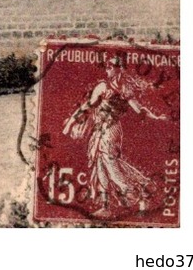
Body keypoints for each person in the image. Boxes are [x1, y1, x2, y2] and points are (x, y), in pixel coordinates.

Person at [62, 55, 166, 217]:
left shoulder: (126, 88)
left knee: (110, 163)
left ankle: (134, 192)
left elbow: (139, 110)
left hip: (111, 130)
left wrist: (156, 117)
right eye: (107, 66)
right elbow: (87, 106)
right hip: (98, 130)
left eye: (112, 66)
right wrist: (70, 123)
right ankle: (107, 205)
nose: (108, 68)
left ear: (120, 68)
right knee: (99, 165)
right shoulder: (102, 86)